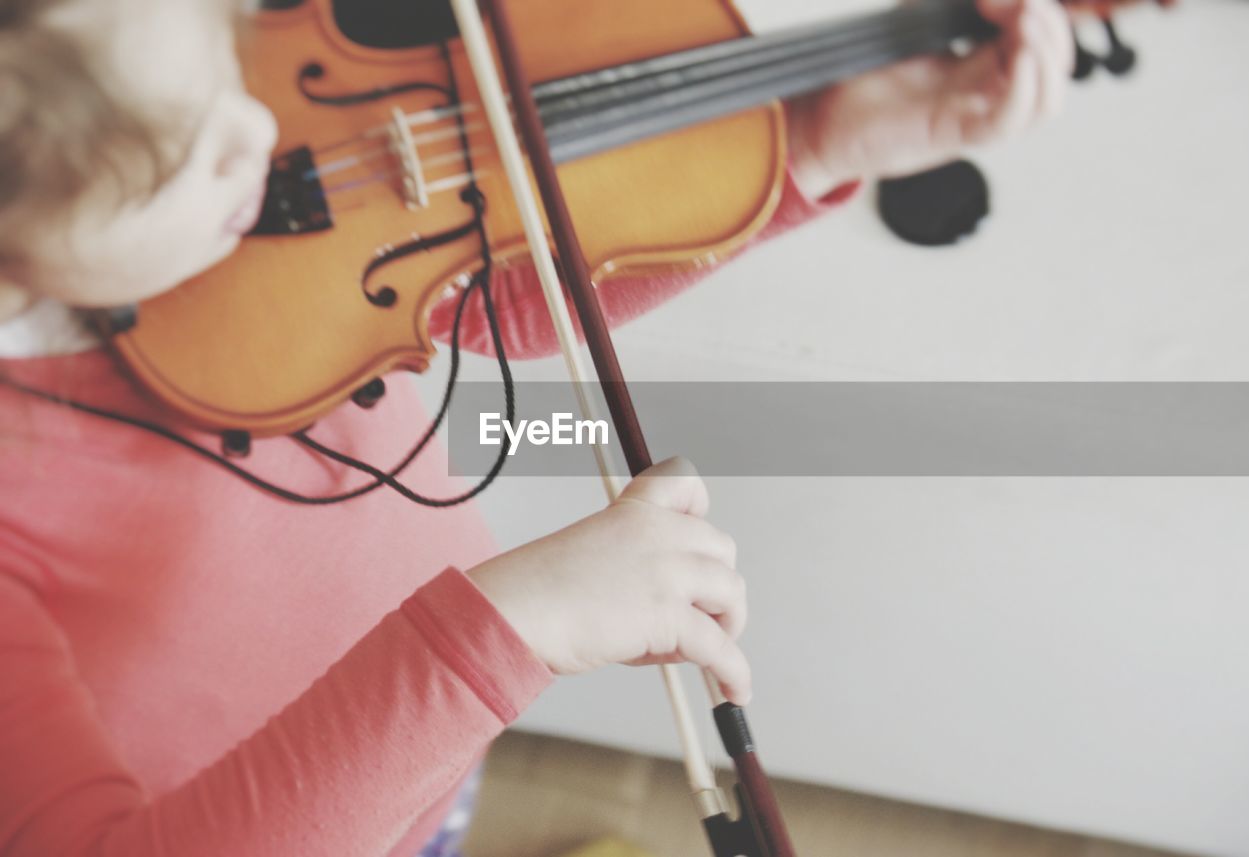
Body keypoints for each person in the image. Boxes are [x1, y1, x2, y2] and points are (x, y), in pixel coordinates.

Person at [0, 0, 1072, 855]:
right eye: (192, 155)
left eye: (229, 66)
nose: (262, 133)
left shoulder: (179, 223)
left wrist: (819, 144)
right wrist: (506, 629)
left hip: (423, 753)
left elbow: (464, 295)